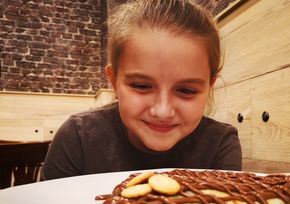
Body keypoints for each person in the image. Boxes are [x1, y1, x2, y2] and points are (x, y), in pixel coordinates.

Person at [41, 0, 242, 180]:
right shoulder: (77, 138)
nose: (162, 111)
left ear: (209, 86)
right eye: (141, 86)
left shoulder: (220, 145)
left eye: (187, 90)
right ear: (113, 81)